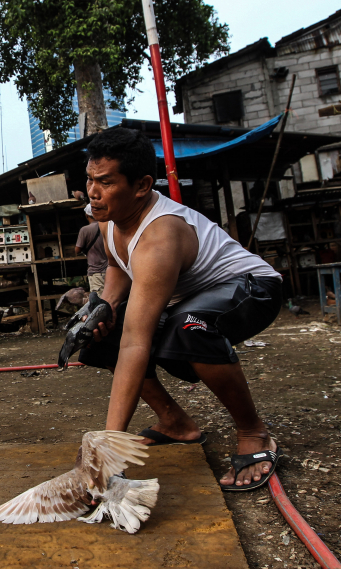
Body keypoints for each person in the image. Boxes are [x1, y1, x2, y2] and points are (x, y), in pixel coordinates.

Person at [78, 126, 284, 491]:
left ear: (142, 185)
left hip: (252, 288)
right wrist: (104, 307)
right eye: (90, 179)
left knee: (188, 327)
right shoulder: (106, 217)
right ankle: (175, 422)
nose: (93, 192)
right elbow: (116, 263)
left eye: (106, 182)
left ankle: (254, 432)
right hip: (189, 301)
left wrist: (109, 446)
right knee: (97, 337)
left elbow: (136, 342)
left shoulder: (160, 234)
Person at [76, 203, 107, 295]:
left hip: (96, 271)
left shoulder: (85, 230)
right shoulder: (107, 226)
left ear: (86, 215)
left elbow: (77, 250)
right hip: (111, 270)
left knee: (100, 301)